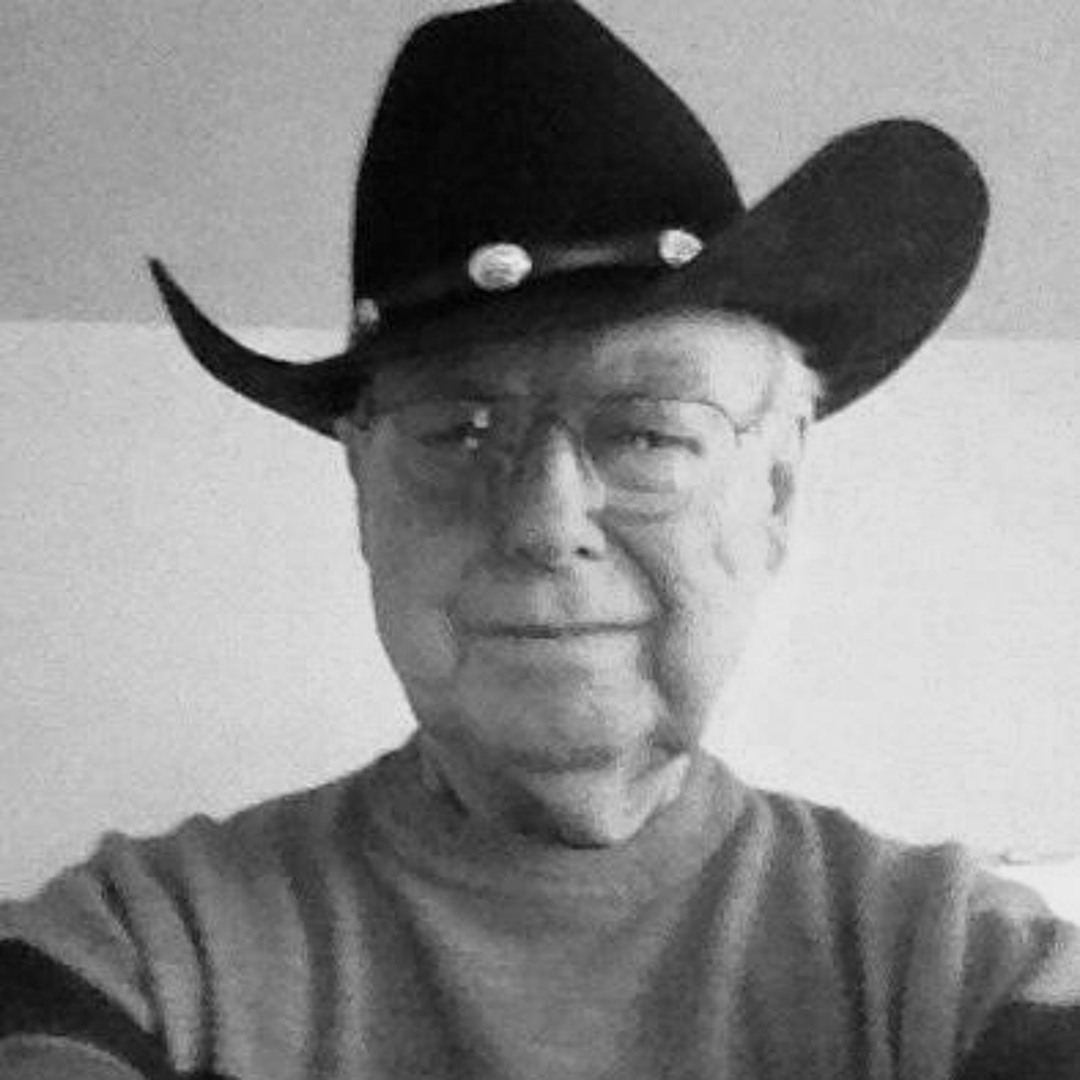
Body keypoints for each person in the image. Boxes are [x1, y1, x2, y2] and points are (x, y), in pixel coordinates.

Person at [2, 2, 1078, 1077]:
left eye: (650, 432)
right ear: (364, 492)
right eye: (457, 431)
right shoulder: (129, 949)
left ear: (775, 494)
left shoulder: (965, 967)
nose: (545, 523)